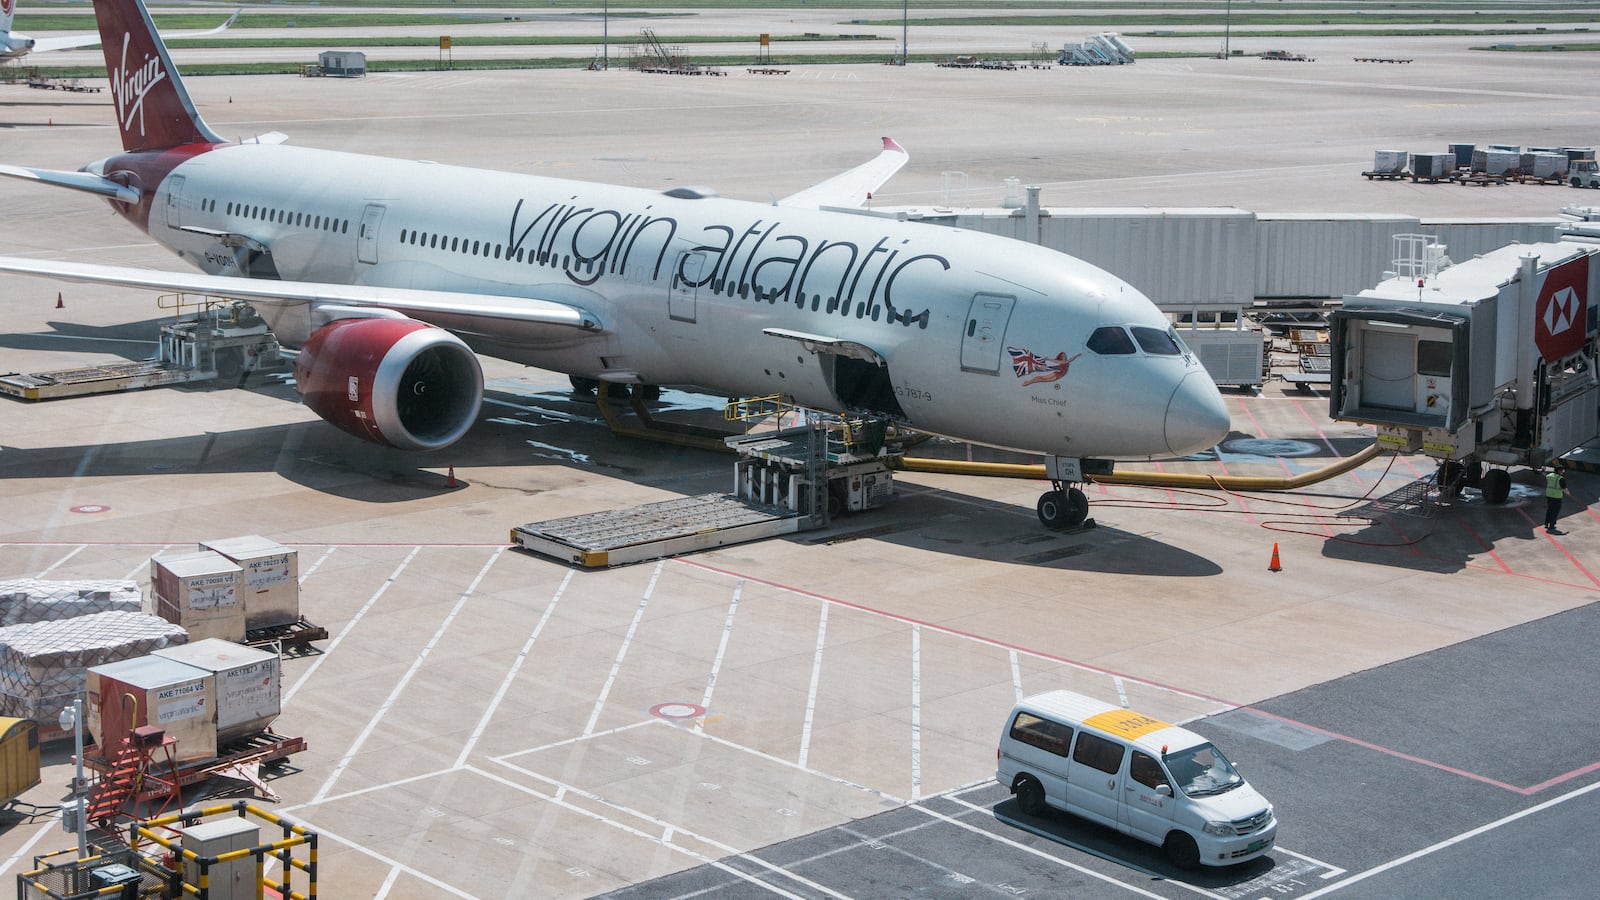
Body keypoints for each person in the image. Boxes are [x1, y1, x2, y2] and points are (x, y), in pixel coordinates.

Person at [1544, 464, 1569, 534]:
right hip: (1557, 496)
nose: (1563, 472)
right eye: (1562, 470)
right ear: (1559, 471)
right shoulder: (1560, 478)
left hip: (1549, 495)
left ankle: (1546, 523)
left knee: (1549, 509)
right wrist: (1568, 493)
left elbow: (1546, 478)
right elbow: (1564, 488)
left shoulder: (1549, 475)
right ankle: (1552, 525)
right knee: (1555, 511)